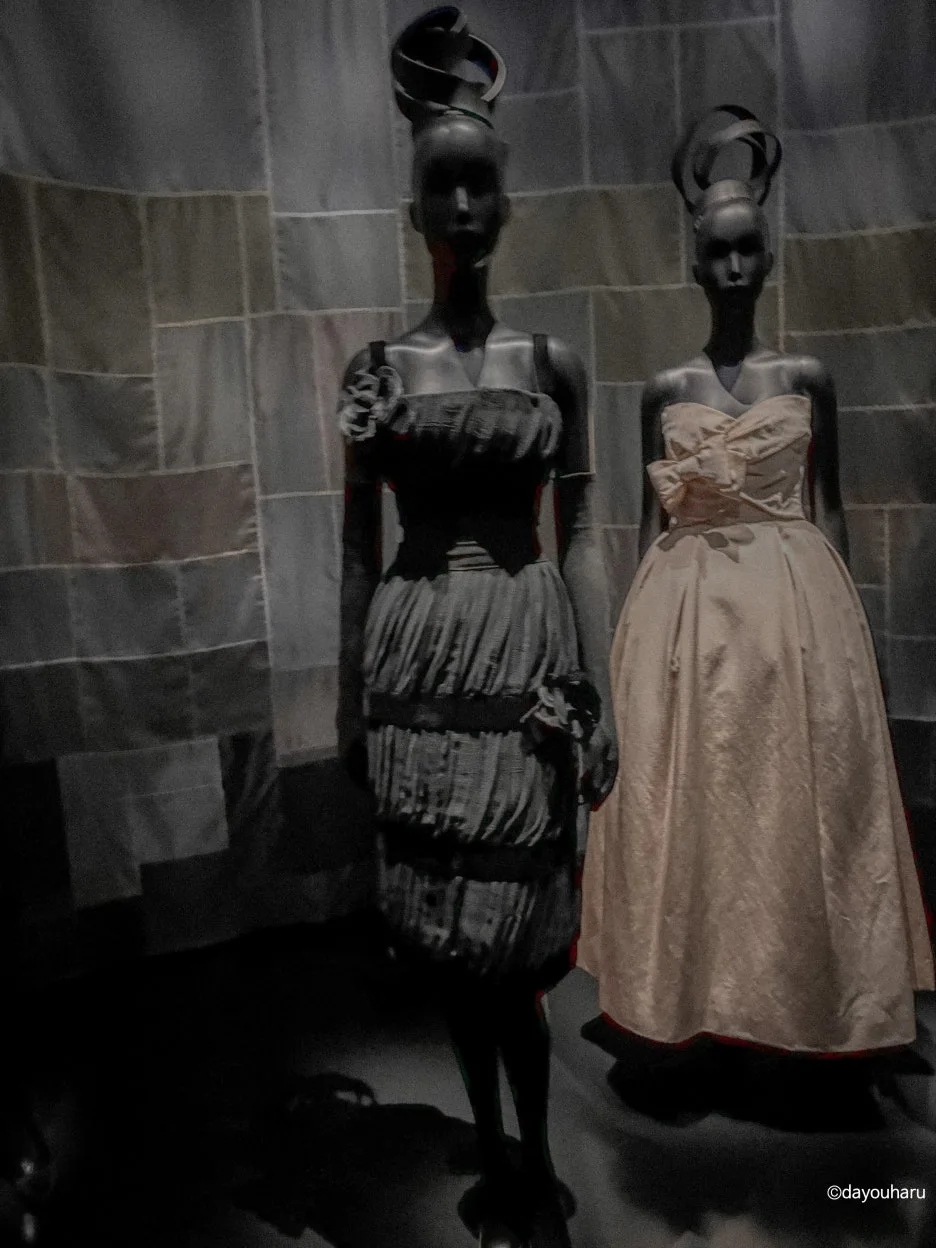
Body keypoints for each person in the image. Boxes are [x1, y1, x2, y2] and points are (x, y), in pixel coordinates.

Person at [579, 107, 934, 1114]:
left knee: (789, 808)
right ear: (692, 262)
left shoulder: (807, 379)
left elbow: (833, 511)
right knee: (694, 808)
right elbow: (645, 524)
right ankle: (695, 993)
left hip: (792, 612)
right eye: (716, 252)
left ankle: (802, 1000)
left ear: (768, 257)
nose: (733, 268)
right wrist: (630, 657)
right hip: (685, 614)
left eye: (747, 250)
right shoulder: (664, 388)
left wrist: (850, 643)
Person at [336, 9, 617, 1244]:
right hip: (417, 656)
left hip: (521, 647)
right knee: (450, 932)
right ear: (414, 209)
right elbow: (357, 543)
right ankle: (495, 1146)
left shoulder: (551, 362)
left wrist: (602, 692)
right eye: (440, 187)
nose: (460, 208)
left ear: (506, 204)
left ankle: (539, 1158)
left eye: (478, 185)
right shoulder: (378, 371)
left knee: (518, 926)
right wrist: (350, 704)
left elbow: (586, 530)